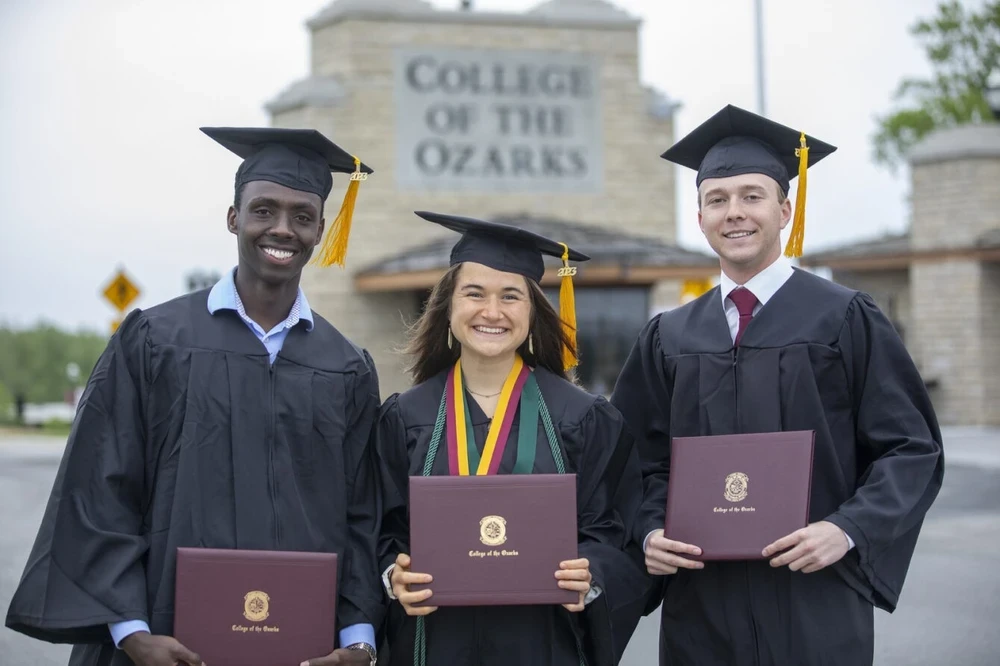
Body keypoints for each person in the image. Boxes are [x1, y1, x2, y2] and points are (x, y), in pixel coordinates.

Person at [5, 127, 383, 666]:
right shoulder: (156, 342)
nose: (282, 228)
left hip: (303, 648)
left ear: (322, 229)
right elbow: (100, 488)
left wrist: (359, 642)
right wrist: (131, 633)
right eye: (263, 210)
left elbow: (362, 515)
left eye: (302, 216)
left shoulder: (345, 367)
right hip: (161, 642)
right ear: (233, 218)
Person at [611, 104, 945, 666]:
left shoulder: (843, 319)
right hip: (702, 605)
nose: (734, 213)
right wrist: (647, 532)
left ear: (785, 208)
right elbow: (627, 460)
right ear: (699, 217)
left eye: (751, 195)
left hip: (815, 596)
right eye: (717, 199)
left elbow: (910, 448)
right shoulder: (669, 337)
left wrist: (848, 529)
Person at [375, 212, 651, 666]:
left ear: (532, 312)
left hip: (544, 643)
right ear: (448, 306)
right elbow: (379, 526)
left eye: (511, 296)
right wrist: (393, 574)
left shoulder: (584, 419)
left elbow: (617, 530)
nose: (492, 311)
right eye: (474, 293)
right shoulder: (405, 417)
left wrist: (593, 572)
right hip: (433, 643)